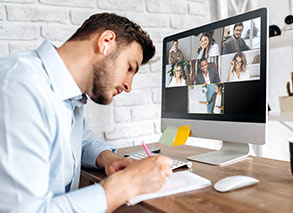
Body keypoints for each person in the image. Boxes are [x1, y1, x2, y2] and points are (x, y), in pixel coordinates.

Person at [0, 13, 173, 212]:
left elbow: (80, 140)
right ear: (106, 42)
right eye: (129, 68)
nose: (128, 86)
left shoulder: (67, 97)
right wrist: (128, 184)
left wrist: (109, 159)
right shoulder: (21, 87)